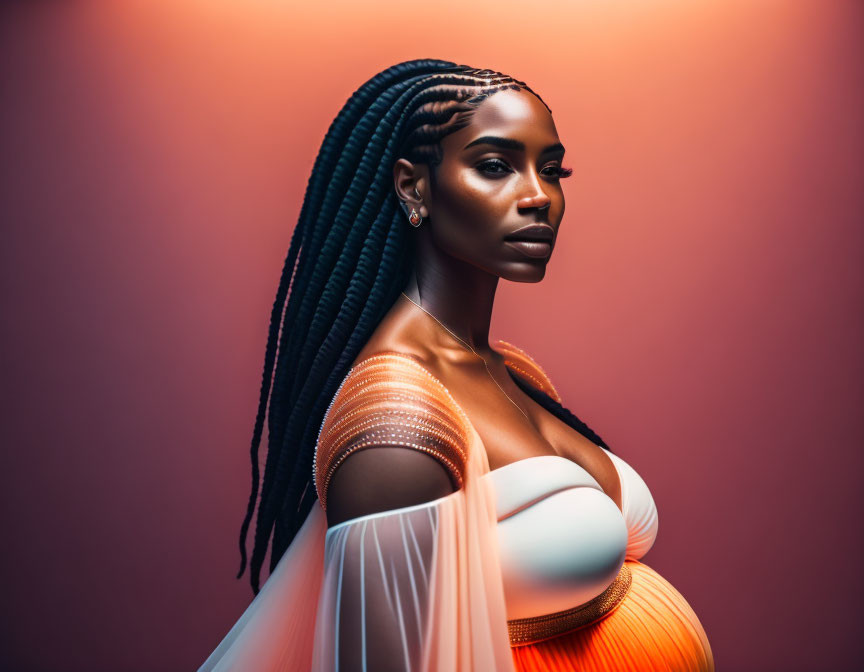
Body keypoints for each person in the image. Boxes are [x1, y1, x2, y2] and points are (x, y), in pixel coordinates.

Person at [198, 58, 715, 671]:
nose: (537, 197)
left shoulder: (508, 369)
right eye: (495, 166)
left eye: (552, 170)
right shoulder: (395, 427)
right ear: (414, 186)